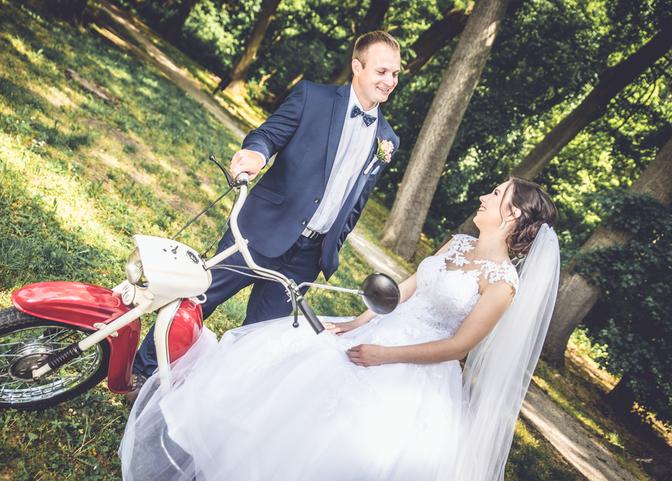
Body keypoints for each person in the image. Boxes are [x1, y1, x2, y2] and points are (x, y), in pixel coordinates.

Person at [119, 177, 561, 481]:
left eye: (496, 194)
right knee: (292, 377)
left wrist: (385, 356)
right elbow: (406, 289)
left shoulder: (502, 283)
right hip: (381, 333)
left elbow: (457, 347)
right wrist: (358, 322)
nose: (485, 196)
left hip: (414, 368)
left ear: (512, 215)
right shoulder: (459, 243)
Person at [129, 31, 402, 385]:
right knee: (200, 298)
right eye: (382, 71)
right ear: (357, 67)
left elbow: (357, 202)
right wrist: (256, 155)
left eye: (395, 74)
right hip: (261, 228)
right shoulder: (313, 97)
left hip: (306, 258)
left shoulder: (387, 139)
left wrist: (330, 244)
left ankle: (211, 394)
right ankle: (143, 370)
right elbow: (268, 135)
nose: (389, 81)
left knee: (257, 340)